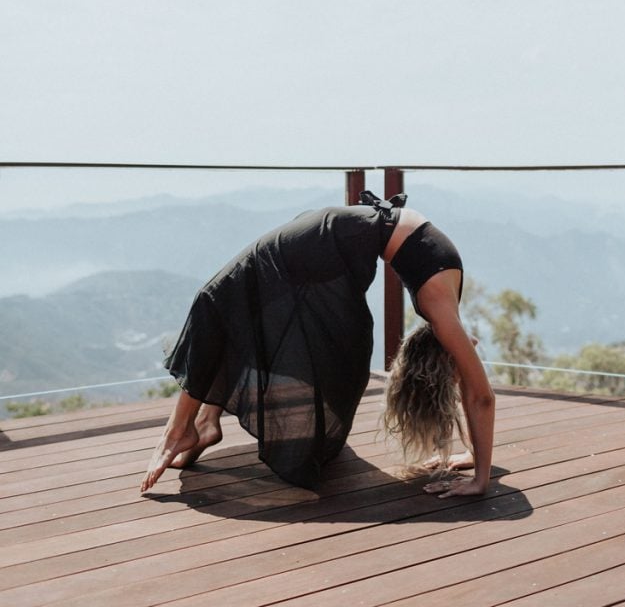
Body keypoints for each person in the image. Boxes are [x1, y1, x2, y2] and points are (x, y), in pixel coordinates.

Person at [140, 191, 495, 498]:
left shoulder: (445, 316)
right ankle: (181, 427)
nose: (457, 378)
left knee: (252, 309)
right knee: (215, 298)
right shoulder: (442, 314)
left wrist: (476, 457)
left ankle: (206, 420)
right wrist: (480, 480)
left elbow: (472, 384)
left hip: (339, 237)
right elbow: (482, 396)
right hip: (331, 238)